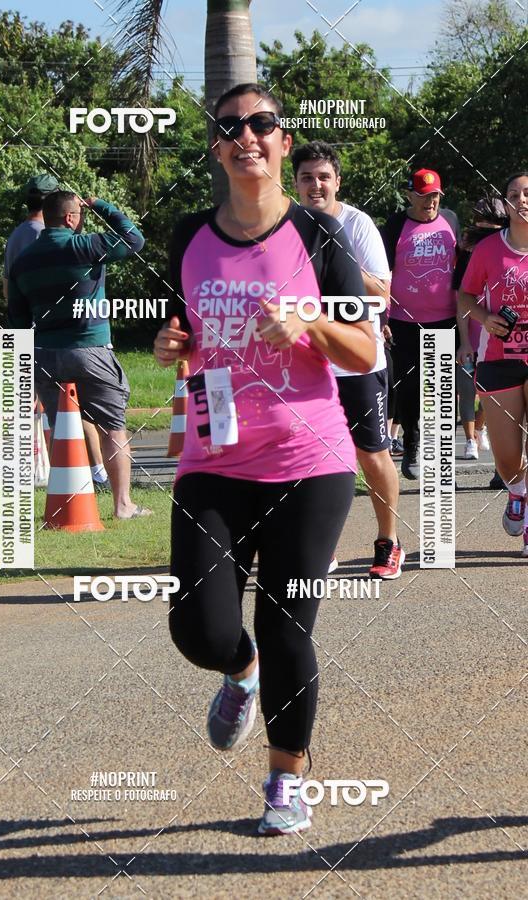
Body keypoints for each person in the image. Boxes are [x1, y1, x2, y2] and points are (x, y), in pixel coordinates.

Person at [154, 83, 376, 835]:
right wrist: (172, 346)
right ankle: (237, 674)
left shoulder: (318, 236)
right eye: (231, 128)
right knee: (199, 630)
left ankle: (287, 781)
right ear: (217, 148)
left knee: (287, 623)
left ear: (282, 141)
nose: (247, 136)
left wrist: (309, 321)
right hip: (215, 457)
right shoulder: (188, 236)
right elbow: (187, 331)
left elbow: (368, 346)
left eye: (262, 124)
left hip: (309, 460)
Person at [292, 141, 404, 578]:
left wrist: (335, 258)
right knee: (309, 457)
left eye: (323, 177)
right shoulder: (284, 226)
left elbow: (381, 292)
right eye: (306, 177)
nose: (315, 185)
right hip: (305, 361)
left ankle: (388, 541)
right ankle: (321, 547)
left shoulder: (357, 225)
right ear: (295, 182)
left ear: (337, 181)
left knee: (371, 454)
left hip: (357, 360)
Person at [8, 191, 150, 519]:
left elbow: (16, 321)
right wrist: (101, 205)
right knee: (113, 426)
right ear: (72, 218)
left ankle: (68, 506)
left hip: (44, 355)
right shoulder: (84, 245)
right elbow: (134, 238)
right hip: (90, 350)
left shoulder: (23, 261)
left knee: (64, 432)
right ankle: (122, 505)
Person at [4, 174, 111, 492]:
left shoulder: (16, 236)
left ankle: (56, 476)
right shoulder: (48, 235)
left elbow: (9, 286)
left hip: (28, 329)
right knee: (81, 408)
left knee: (45, 408)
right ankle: (96, 473)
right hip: (68, 334)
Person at [458, 172, 528, 557]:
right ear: (507, 203)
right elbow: (465, 294)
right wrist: (483, 319)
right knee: (506, 457)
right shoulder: (488, 250)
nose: (522, 199)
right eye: (514, 194)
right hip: (499, 359)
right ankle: (517, 492)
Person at [381, 169, 461, 479]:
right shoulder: (396, 225)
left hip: (444, 319)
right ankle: (412, 446)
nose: (430, 202)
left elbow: (462, 264)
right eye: (424, 196)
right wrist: (382, 317)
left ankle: (443, 458)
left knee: (442, 390)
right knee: (410, 389)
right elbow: (382, 272)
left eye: (435, 196)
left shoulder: (451, 220)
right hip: (403, 322)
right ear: (410, 195)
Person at [454, 197, 506, 463]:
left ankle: (482, 426)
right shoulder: (467, 254)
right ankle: (470, 440)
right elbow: (462, 300)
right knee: (467, 386)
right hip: (473, 329)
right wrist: (464, 341)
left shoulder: (510, 249)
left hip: (500, 333)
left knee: (493, 393)